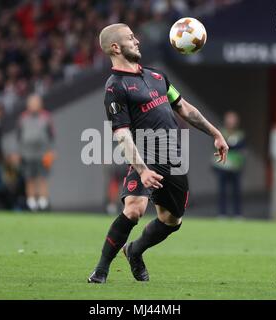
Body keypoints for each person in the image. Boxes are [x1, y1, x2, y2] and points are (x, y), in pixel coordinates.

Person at [88, 23, 229, 284]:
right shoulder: (115, 87)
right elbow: (121, 133)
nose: (137, 41)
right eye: (131, 38)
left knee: (171, 220)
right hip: (144, 155)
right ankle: (101, 270)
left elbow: (184, 108)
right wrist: (141, 170)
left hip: (173, 158)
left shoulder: (157, 77)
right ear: (115, 47)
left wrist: (215, 133)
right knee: (134, 209)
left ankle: (134, 251)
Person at [16, 94, 55, 212]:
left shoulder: (46, 117)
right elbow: (19, 136)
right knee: (29, 178)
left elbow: (51, 136)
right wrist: (19, 152)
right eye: (32, 103)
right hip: (27, 153)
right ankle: (31, 204)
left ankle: (43, 204)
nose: (34, 105)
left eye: (36, 103)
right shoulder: (22, 118)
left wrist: (51, 151)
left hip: (43, 153)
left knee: (42, 178)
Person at [212, 111, 246, 217]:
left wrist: (231, 146)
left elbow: (241, 147)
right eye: (229, 119)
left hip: (235, 166)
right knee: (222, 191)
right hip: (222, 166)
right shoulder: (220, 133)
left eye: (233, 119)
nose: (231, 122)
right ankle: (222, 213)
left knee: (236, 191)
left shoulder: (240, 134)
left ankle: (237, 213)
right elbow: (217, 146)